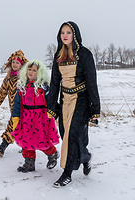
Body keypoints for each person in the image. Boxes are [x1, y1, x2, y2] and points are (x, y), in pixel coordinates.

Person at [47, 21, 100, 188]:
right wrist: (51, 106)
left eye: (68, 32)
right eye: (62, 32)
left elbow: (92, 82)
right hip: (65, 101)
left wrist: (95, 109)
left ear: (75, 34)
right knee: (65, 134)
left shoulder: (85, 55)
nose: (65, 35)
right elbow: (54, 83)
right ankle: (85, 157)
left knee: (72, 136)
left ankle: (67, 173)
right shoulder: (58, 56)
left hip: (82, 100)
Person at [11, 60, 60, 172]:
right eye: (29, 69)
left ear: (39, 72)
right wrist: (15, 117)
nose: (31, 72)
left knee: (42, 141)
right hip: (26, 118)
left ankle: (52, 154)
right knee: (26, 141)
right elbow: (17, 104)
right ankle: (29, 163)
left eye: (34, 70)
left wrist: (52, 112)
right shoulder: (22, 86)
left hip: (41, 118)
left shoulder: (44, 87)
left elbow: (51, 101)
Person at [0, 50, 29, 157]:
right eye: (13, 62)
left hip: (26, 108)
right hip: (14, 109)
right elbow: (2, 91)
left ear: (21, 64)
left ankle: (2, 147)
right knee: (21, 128)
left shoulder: (25, 78)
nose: (15, 64)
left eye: (17, 62)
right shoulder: (8, 78)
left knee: (14, 127)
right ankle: (27, 147)